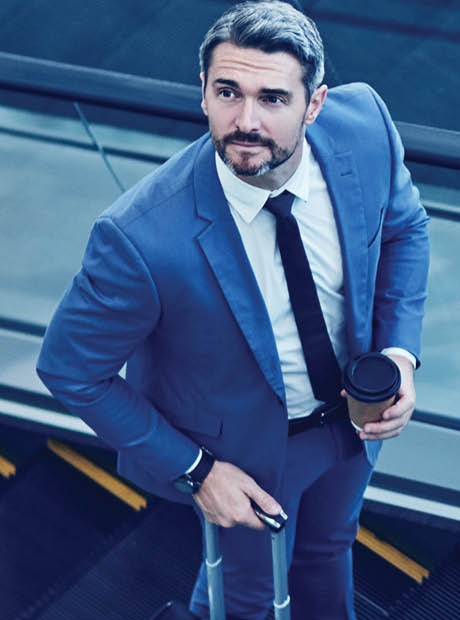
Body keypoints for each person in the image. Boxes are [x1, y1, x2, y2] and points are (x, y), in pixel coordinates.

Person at [35, 1, 429, 618]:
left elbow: (405, 228)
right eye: (228, 92)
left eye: (272, 98)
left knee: (329, 550)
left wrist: (400, 355)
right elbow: (69, 368)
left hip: (356, 419)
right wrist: (196, 470)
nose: (245, 121)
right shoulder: (139, 237)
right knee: (248, 596)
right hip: (243, 458)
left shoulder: (364, 128)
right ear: (203, 92)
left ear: (315, 104)